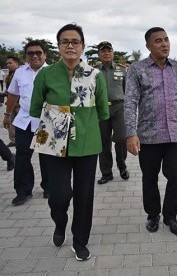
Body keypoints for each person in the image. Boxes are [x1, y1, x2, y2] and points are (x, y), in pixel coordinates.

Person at [29, 23, 109, 261]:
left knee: (85, 196)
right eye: (65, 41)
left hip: (86, 142)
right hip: (53, 142)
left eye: (75, 41)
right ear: (59, 46)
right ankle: (60, 222)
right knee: (58, 195)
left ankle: (80, 239)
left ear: (83, 46)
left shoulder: (95, 75)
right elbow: (35, 107)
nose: (70, 45)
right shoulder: (45, 74)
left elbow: (103, 111)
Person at [125, 27, 177, 236]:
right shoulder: (137, 69)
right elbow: (130, 102)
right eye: (158, 41)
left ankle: (171, 215)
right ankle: (153, 214)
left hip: (175, 135)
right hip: (149, 136)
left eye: (166, 39)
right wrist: (131, 133)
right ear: (148, 46)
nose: (164, 44)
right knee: (149, 177)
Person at [3, 40, 49, 205]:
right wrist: (7, 114)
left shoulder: (52, 72)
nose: (35, 56)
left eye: (38, 52)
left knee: (46, 156)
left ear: (45, 55)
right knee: (22, 156)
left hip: (45, 123)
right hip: (24, 122)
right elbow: (13, 95)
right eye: (31, 53)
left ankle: (48, 187)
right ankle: (23, 191)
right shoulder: (20, 72)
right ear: (25, 56)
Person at [95, 41, 129, 184]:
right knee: (103, 142)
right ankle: (107, 173)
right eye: (103, 51)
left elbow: (127, 89)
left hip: (119, 107)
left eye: (109, 51)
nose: (106, 53)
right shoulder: (94, 71)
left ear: (113, 53)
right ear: (99, 54)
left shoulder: (122, 70)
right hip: (101, 109)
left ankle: (122, 166)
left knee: (121, 139)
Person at [4, 56, 20, 147]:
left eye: (10, 63)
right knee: (10, 123)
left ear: (17, 63)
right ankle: (13, 140)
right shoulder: (10, 74)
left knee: (22, 124)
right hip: (11, 102)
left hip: (19, 103)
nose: (8, 65)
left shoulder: (21, 74)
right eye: (7, 63)